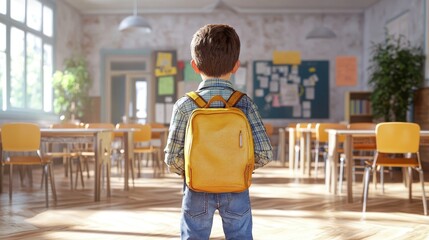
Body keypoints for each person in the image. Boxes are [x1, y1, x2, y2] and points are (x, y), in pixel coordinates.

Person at [164, 24, 273, 240]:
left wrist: (194, 170)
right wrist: (239, 167)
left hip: (196, 188)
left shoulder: (185, 105)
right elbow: (265, 153)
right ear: (236, 66)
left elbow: (172, 159)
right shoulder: (244, 104)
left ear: (194, 66)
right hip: (236, 187)